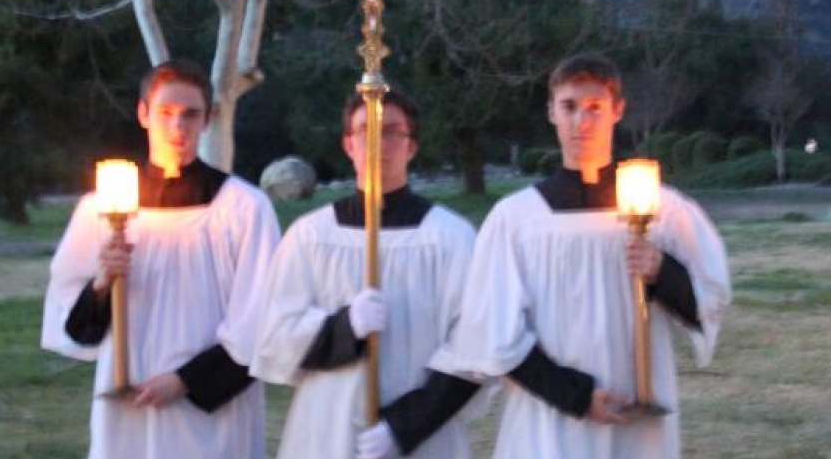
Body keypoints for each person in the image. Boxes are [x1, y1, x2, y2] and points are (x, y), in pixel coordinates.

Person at [441, 53, 731, 459]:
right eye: (569, 107)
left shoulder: (665, 210)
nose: (582, 121)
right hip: (550, 418)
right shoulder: (517, 218)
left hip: (637, 412)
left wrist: (663, 271)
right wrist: (574, 397)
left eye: (595, 107)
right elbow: (493, 330)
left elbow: (709, 299)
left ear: (618, 111)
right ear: (551, 113)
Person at [41, 60, 280, 459]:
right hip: (128, 399)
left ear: (208, 119)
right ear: (142, 114)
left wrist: (185, 381)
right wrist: (102, 282)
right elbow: (77, 325)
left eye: (191, 115)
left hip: (211, 406)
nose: (178, 129)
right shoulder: (100, 207)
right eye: (165, 114)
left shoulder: (243, 208)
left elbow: (261, 317)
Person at [251, 91, 482, 459]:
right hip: (327, 430)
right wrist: (344, 328)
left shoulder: (451, 238)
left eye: (392, 131)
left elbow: (473, 350)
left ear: (412, 146)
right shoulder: (311, 236)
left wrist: (404, 426)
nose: (378, 143)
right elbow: (275, 336)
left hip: (422, 437)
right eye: (365, 131)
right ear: (348, 144)